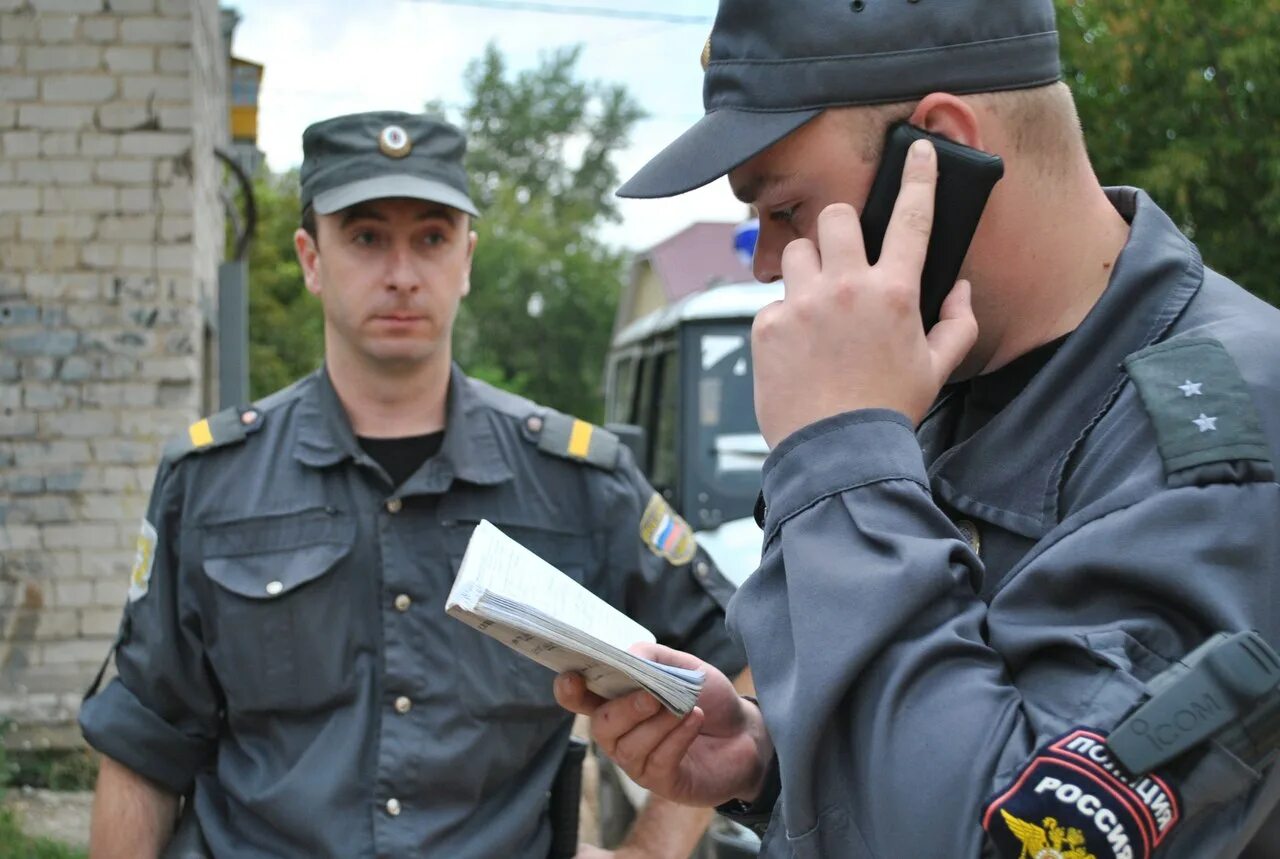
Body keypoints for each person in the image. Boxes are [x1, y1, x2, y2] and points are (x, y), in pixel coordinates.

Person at [555, 1, 1280, 857]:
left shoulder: (1227, 443)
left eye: (784, 207)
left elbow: (1011, 834)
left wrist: (845, 459)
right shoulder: (931, 389)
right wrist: (769, 761)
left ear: (933, 153)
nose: (760, 262)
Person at [78, 110, 748, 859]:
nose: (401, 273)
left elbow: (734, 654)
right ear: (310, 257)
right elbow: (143, 742)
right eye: (365, 237)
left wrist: (651, 850)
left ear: (465, 258)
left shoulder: (578, 484)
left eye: (431, 238)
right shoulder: (209, 482)